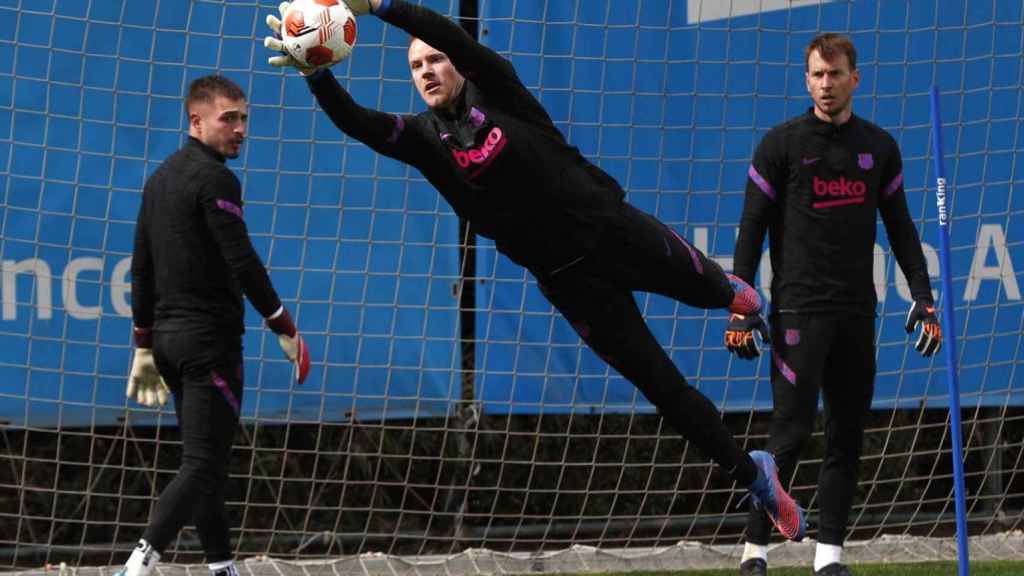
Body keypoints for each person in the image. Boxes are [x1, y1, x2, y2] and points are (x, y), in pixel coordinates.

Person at [261, 0, 806, 541]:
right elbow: (358, 124)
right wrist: (316, 76)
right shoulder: (424, 140)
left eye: (435, 60)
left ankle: (741, 299)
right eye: (416, 67)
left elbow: (457, 39)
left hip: (615, 230)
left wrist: (382, 7)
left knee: (713, 290)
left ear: (456, 63)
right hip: (571, 281)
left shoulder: (499, 90)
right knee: (663, 389)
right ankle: (756, 476)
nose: (427, 71)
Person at [726, 33, 943, 576]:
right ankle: (756, 552)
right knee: (789, 437)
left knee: (846, 435)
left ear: (855, 79)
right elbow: (751, 228)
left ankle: (830, 559)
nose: (826, 84)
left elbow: (902, 229)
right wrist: (739, 303)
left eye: (836, 74)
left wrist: (923, 296)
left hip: (856, 313)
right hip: (798, 311)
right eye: (817, 75)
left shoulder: (879, 148)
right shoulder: (780, 145)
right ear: (807, 80)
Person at [119, 74, 311, 576]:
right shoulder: (216, 177)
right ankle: (138, 565)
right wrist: (283, 325)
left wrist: (143, 343)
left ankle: (221, 566)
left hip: (169, 344)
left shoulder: (159, 178)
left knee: (205, 463)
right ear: (196, 121)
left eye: (244, 118)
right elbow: (242, 260)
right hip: (209, 345)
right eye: (229, 118)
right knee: (202, 463)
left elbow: (141, 267)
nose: (241, 128)